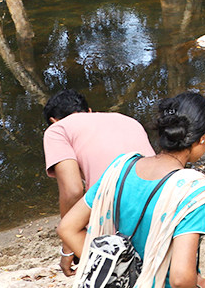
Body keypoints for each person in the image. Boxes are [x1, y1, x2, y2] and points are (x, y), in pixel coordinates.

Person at [58, 92, 205, 288]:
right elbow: (180, 279)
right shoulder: (191, 190)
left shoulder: (121, 168)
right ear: (202, 139)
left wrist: (113, 268)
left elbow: (67, 228)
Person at [42, 90, 153, 276]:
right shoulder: (126, 119)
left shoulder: (57, 130)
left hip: (120, 219)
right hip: (162, 200)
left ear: (53, 120)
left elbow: (73, 190)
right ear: (90, 111)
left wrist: (68, 246)